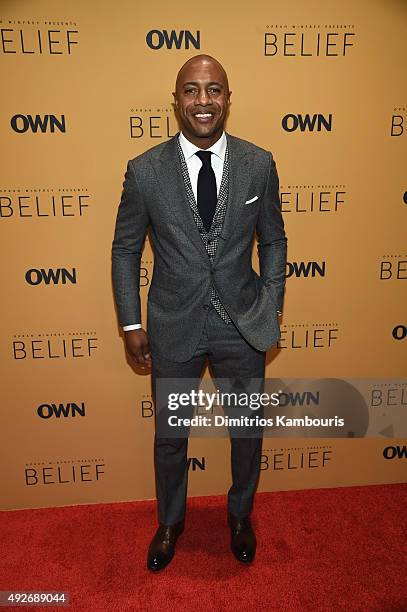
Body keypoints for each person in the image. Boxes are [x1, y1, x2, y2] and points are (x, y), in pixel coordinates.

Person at [111, 54, 287, 571]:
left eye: (213, 90)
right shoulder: (145, 171)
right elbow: (125, 250)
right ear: (176, 101)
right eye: (191, 91)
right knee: (170, 436)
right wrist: (130, 323)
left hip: (244, 323)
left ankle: (239, 516)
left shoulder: (259, 163)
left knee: (247, 433)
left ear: (228, 98)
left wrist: (271, 303)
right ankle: (170, 522)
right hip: (173, 323)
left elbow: (273, 240)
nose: (203, 101)